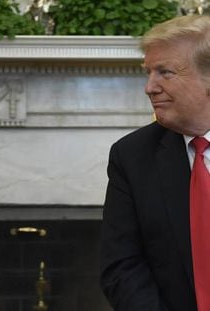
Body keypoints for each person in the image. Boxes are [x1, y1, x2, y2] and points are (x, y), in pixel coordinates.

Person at [100, 15, 210, 311]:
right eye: (148, 72)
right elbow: (122, 266)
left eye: (165, 72)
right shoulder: (132, 155)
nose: (149, 87)